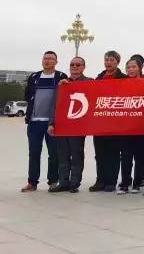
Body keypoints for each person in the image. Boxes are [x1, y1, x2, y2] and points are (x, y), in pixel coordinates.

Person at [21, 51, 68, 192]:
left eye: (51, 59)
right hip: (34, 122)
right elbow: (28, 95)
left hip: (52, 123)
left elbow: (65, 96)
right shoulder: (34, 77)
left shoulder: (61, 76)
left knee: (54, 153)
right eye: (45, 58)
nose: (47, 61)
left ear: (56, 62)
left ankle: (53, 181)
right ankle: (32, 182)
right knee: (34, 152)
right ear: (42, 61)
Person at [48, 57, 90, 193]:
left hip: (78, 126)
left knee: (76, 155)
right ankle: (63, 182)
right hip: (62, 125)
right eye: (72, 64)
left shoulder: (90, 82)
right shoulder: (62, 84)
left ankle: (74, 183)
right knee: (62, 156)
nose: (75, 67)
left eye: (78, 64)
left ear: (83, 67)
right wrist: (51, 123)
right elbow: (55, 105)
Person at [90, 50, 127, 193]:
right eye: (106, 60)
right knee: (100, 154)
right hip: (100, 122)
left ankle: (111, 181)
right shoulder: (98, 78)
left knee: (113, 153)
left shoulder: (123, 78)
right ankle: (100, 181)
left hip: (116, 122)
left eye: (112, 60)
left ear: (117, 62)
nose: (108, 62)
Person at [119, 58, 144, 195]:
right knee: (126, 156)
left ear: (139, 68)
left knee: (139, 156)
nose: (131, 69)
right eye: (128, 67)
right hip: (125, 125)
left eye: (133, 67)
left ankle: (137, 183)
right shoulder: (121, 83)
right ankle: (125, 183)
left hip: (141, 125)